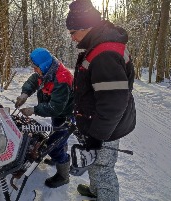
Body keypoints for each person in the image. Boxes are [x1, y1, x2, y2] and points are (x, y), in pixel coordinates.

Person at [66, 0, 136, 200]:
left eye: (73, 32)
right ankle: (96, 191)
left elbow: (113, 102)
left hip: (107, 127)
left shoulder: (104, 53)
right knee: (95, 163)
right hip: (98, 122)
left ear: (87, 27)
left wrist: (97, 135)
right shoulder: (98, 44)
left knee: (103, 168)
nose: (72, 38)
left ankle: (104, 194)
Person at [15, 47, 74, 188]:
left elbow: (56, 108)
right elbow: (33, 81)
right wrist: (25, 94)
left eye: (36, 67)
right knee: (58, 138)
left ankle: (63, 175)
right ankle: (59, 152)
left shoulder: (62, 78)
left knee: (54, 146)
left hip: (66, 115)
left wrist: (33, 110)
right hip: (58, 114)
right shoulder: (47, 71)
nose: (35, 70)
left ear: (44, 65)